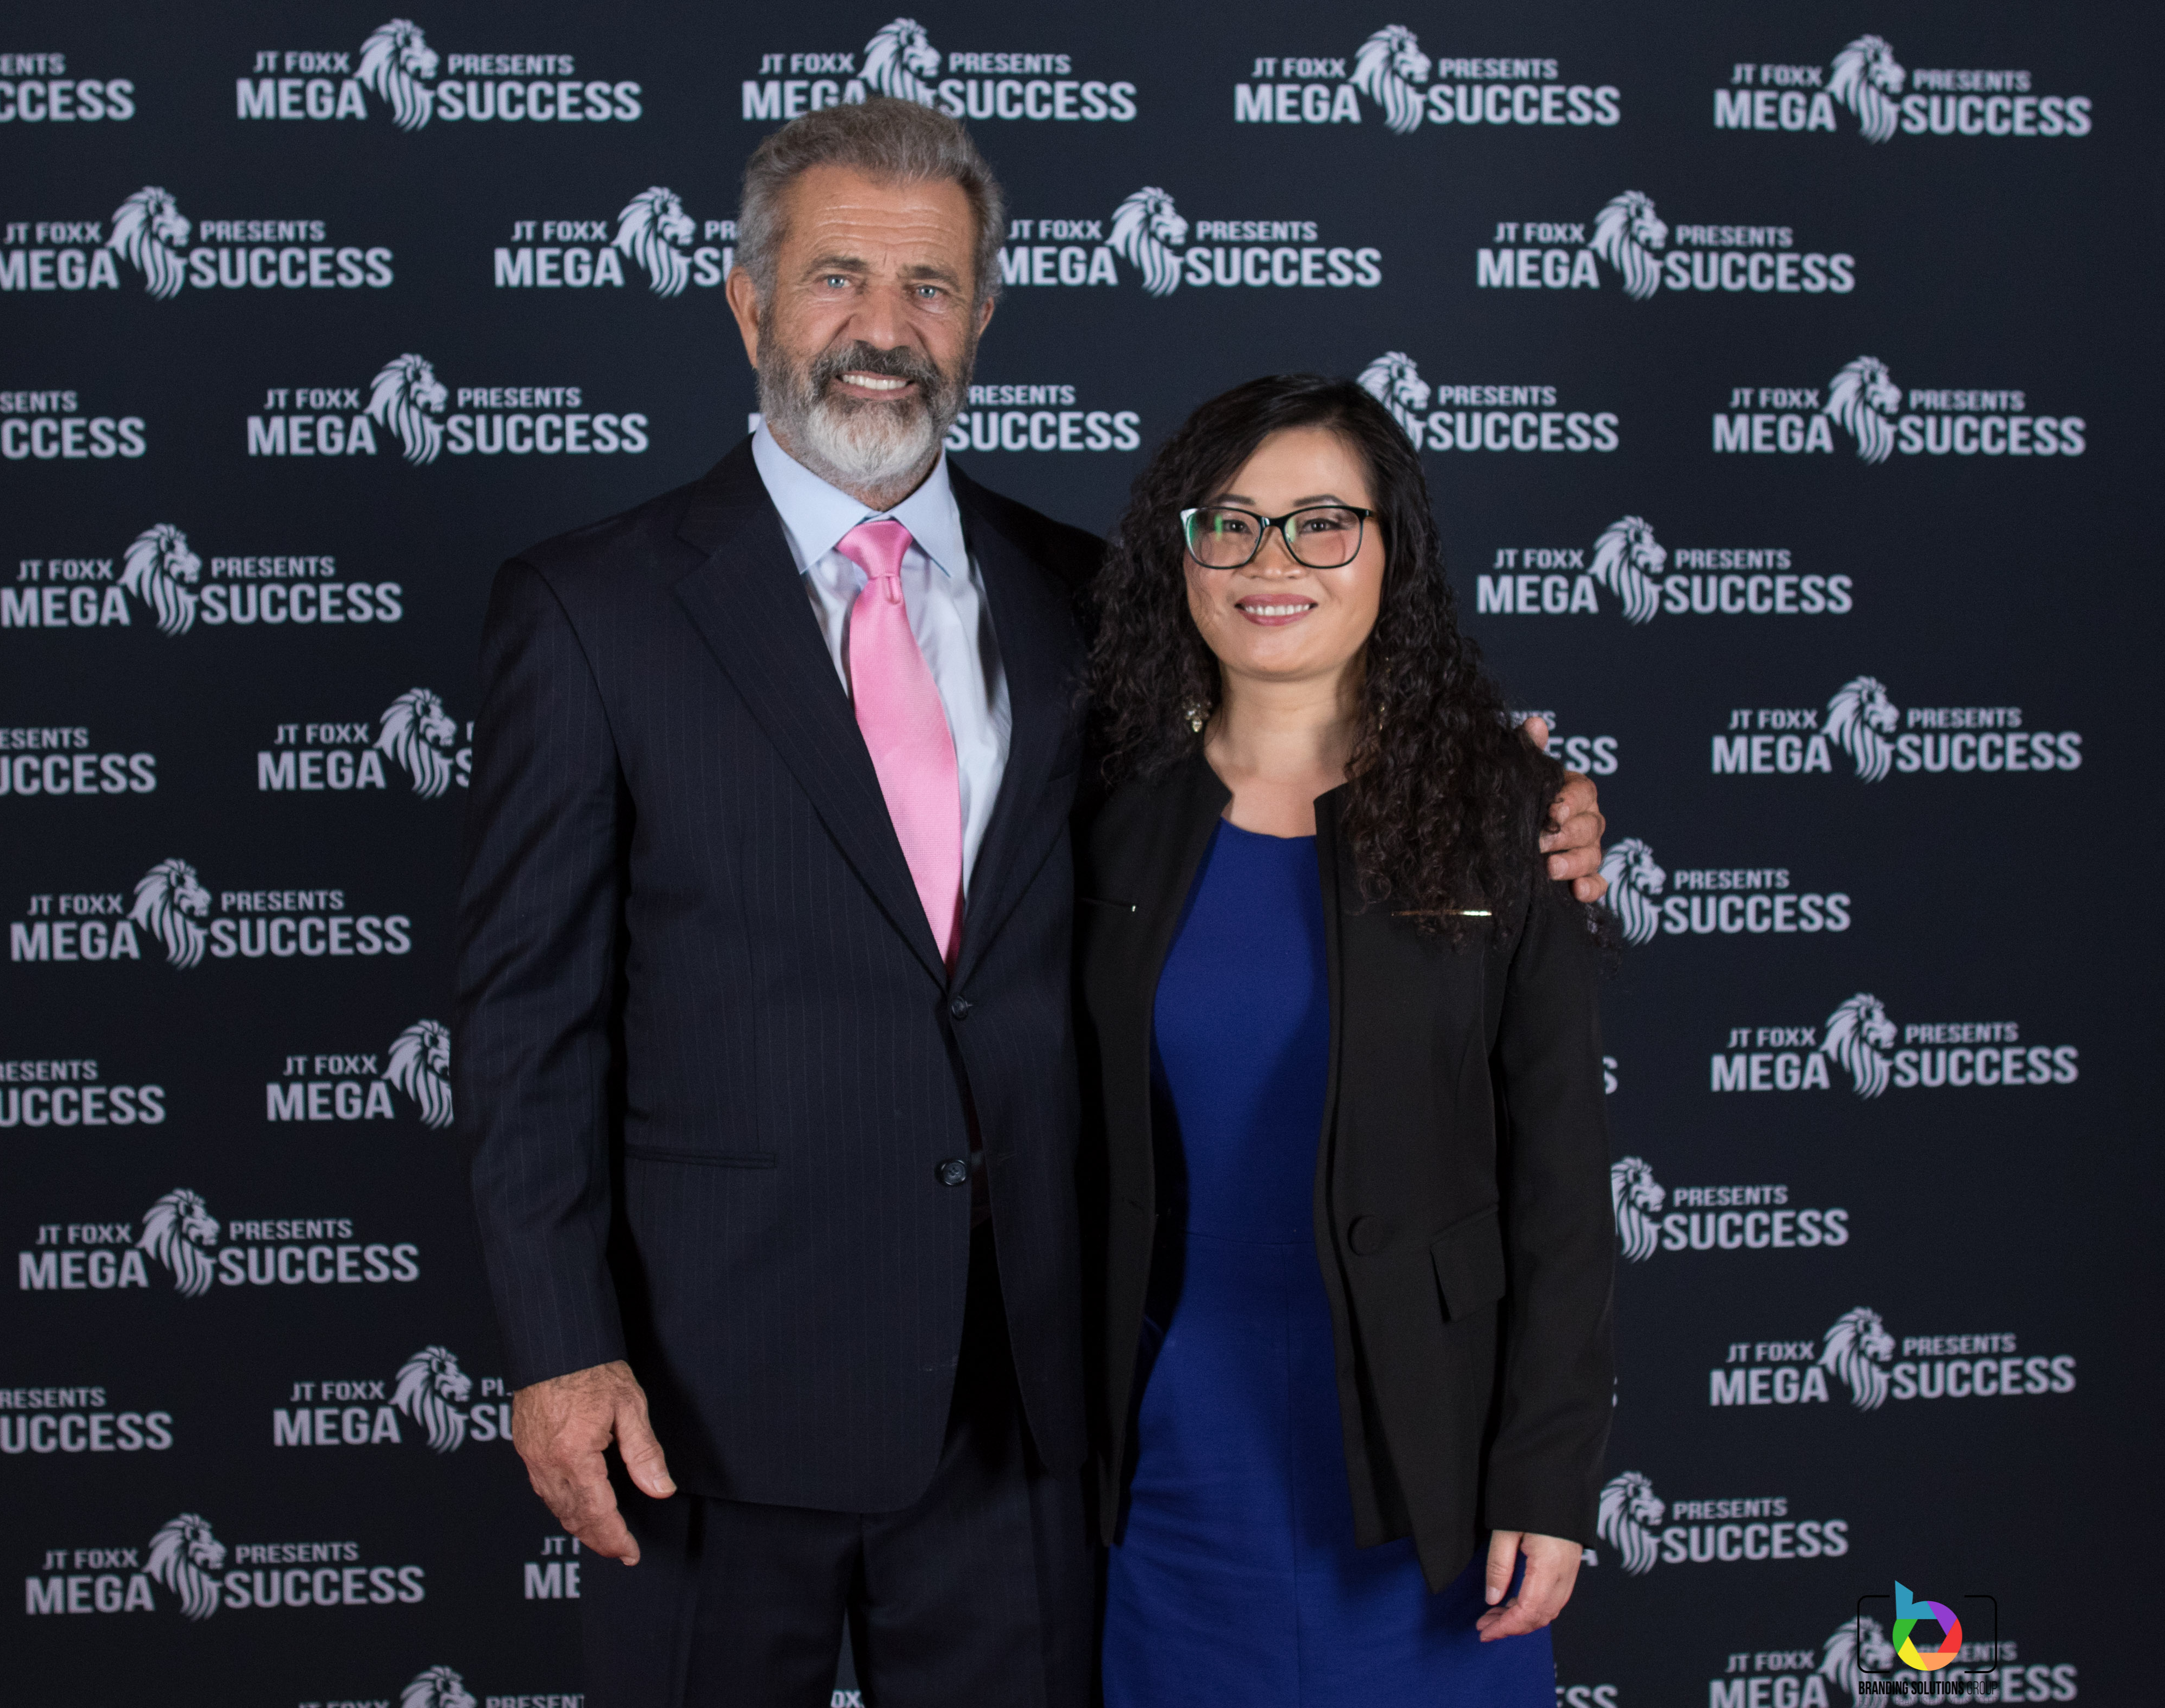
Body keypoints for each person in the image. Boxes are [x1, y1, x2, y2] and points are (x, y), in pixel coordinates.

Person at [455, 101, 1609, 1707]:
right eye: (838, 277)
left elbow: (1305, 732)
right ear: (747, 301)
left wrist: (1515, 794)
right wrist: (560, 1345)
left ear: (982, 316)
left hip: (1031, 1404)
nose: (884, 327)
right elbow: (528, 1021)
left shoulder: (1088, 601)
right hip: (712, 1398)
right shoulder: (594, 610)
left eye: (928, 287)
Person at [1078, 375, 1616, 1704]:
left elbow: (1560, 1185)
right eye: (1232, 524)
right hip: (1171, 1456)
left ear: (1393, 550)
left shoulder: (1509, 814)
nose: (1274, 563)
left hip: (1431, 1464)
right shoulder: (1097, 806)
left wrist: (1546, 1478)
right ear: (1182, 554)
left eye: (1323, 522)